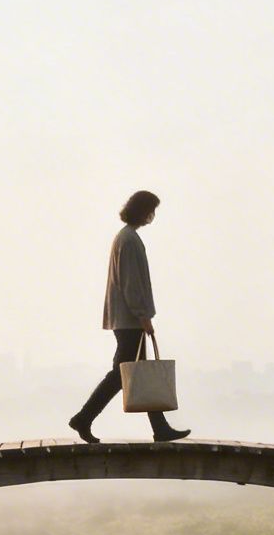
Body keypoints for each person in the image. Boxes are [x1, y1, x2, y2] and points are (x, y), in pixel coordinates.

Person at [69, 189, 191, 443]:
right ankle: (85, 418)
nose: (152, 215)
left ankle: (158, 428)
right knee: (126, 373)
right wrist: (143, 316)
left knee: (131, 372)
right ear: (143, 211)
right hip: (130, 319)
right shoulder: (130, 240)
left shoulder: (125, 237)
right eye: (151, 210)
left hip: (125, 318)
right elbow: (131, 284)